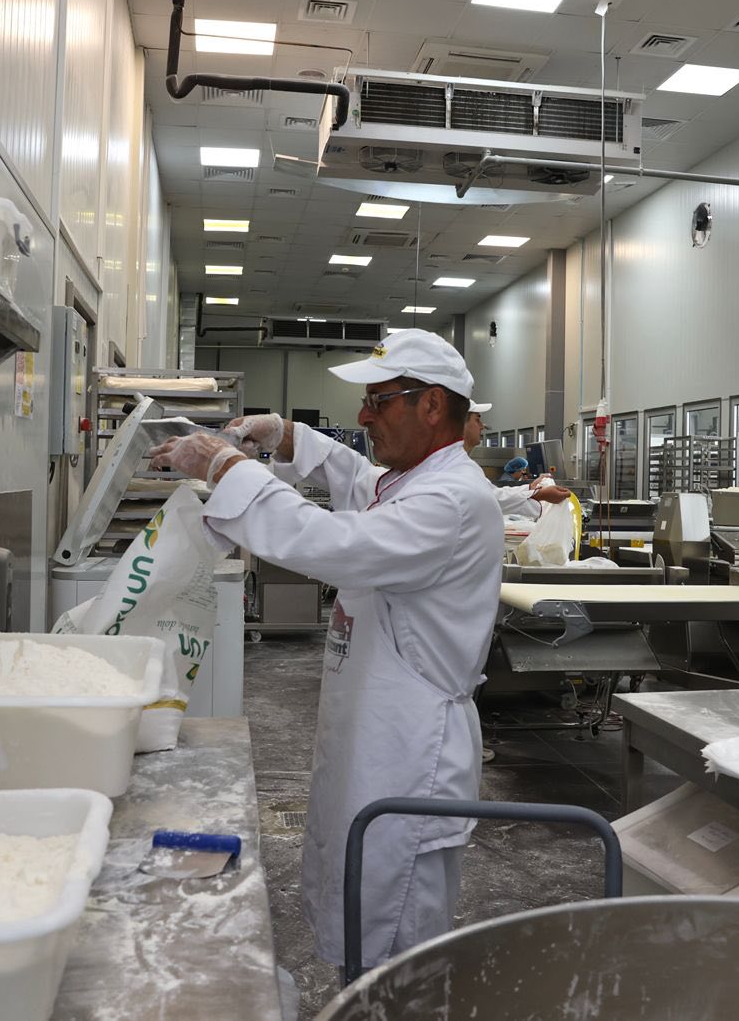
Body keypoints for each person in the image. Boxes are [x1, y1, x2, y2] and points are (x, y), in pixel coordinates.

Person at [147, 328, 500, 972]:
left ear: (431, 405)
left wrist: (226, 467)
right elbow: (359, 478)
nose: (364, 417)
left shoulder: (451, 498)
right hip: (374, 733)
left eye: (378, 401)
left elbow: (337, 545)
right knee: (356, 897)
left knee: (394, 933)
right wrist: (286, 435)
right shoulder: (411, 481)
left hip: (410, 751)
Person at [465, 400, 571, 519]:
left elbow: (497, 495)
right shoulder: (458, 468)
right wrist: (538, 495)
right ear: (460, 423)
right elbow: (491, 500)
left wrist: (531, 488)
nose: (482, 426)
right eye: (477, 419)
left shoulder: (467, 466)